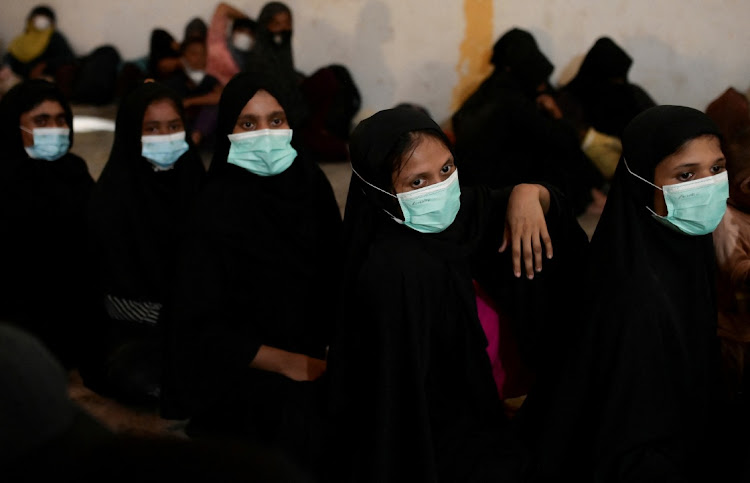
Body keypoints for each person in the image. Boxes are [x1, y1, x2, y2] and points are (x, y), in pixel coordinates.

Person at [324, 107, 589, 482]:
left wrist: (528, 193)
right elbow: (400, 411)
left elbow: (547, 212)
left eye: (446, 169)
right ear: (378, 189)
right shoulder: (391, 269)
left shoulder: (461, 214)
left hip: (487, 412)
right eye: (417, 182)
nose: (440, 188)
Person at [520, 105, 743, 482]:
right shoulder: (634, 294)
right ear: (642, 182)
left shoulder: (680, 245)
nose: (707, 184)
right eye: (686, 174)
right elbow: (632, 437)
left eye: (717, 168)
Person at [160, 69, 343, 482]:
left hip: (316, 354)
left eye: (276, 120)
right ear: (228, 132)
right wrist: (289, 363)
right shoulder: (213, 208)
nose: (266, 134)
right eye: (248, 123)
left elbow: (338, 275)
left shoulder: (310, 185)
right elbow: (199, 328)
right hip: (246, 365)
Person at [84, 81, 207, 408]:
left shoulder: (197, 183)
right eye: (152, 129)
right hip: (138, 330)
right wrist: (180, 318)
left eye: (173, 126)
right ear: (131, 134)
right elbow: (114, 297)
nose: (165, 137)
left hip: (198, 323)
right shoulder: (112, 199)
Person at [451, 27, 607, 217]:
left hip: (472, 185)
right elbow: (563, 139)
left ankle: (593, 195)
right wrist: (555, 113)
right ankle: (590, 197)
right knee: (556, 148)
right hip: (498, 188)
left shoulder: (489, 90)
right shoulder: (512, 100)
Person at [0, 78, 97, 373]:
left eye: (60, 120)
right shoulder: (4, 181)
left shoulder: (74, 171)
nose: (53, 130)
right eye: (40, 121)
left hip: (73, 310)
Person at [556, 36, 657, 140]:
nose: (620, 84)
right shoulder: (571, 102)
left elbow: (658, 127)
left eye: (621, 78)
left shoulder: (633, 94)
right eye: (614, 79)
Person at [1, 5, 77, 98]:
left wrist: (44, 64)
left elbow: (67, 57)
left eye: (44, 18)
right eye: (38, 17)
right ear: (31, 19)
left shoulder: (55, 37)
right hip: (19, 78)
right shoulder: (22, 39)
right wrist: (7, 67)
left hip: (44, 77)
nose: (41, 21)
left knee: (42, 88)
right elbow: (10, 56)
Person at [163, 36, 222, 149]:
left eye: (203, 54)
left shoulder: (211, 80)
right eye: (194, 54)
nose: (199, 58)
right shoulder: (173, 82)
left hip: (207, 134)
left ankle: (195, 139)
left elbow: (221, 97)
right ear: (183, 57)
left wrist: (190, 102)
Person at [205, 2, 257, 87]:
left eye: (249, 34)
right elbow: (223, 8)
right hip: (208, 89)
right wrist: (247, 20)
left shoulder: (255, 61)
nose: (244, 36)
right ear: (232, 33)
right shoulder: (217, 44)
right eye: (241, 31)